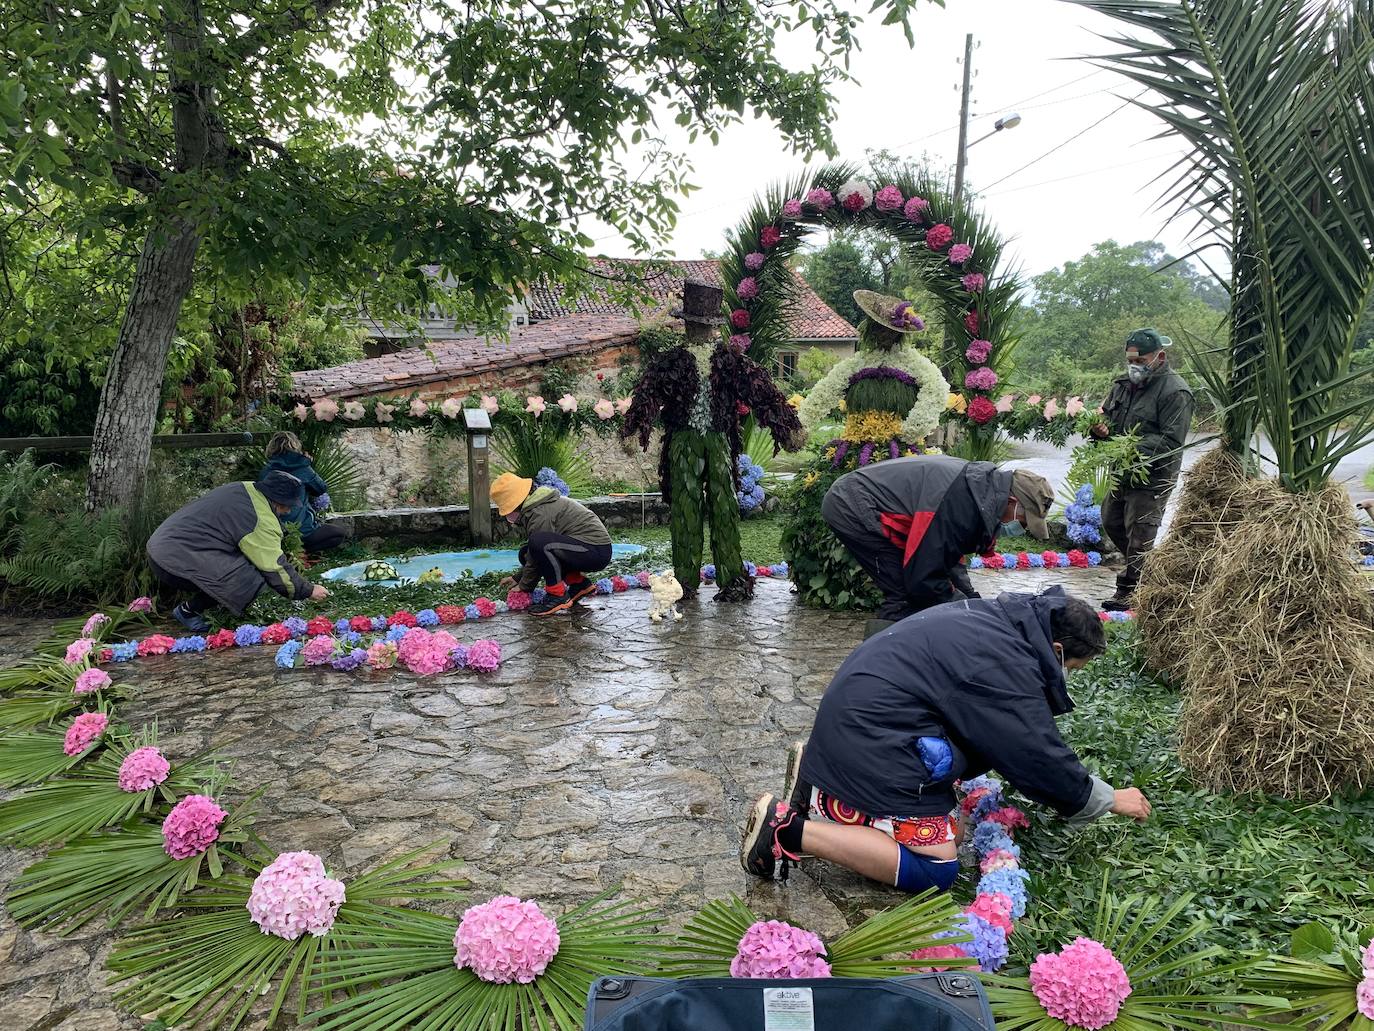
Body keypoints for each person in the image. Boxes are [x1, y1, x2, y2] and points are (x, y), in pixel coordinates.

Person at [740, 588, 1152, 893]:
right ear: (1057, 649)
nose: (1069, 678)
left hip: (860, 725)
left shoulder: (1001, 621)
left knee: (952, 830)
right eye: (1073, 669)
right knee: (936, 867)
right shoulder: (1006, 663)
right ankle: (787, 830)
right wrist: (1104, 798)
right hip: (871, 740)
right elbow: (1034, 752)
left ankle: (818, 782)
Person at [821, 454, 1055, 625]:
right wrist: (965, 608)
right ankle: (883, 665)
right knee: (903, 595)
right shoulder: (959, 503)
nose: (1022, 528)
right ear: (1012, 502)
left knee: (928, 594)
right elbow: (924, 576)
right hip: (853, 505)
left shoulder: (979, 492)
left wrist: (973, 601)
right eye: (1024, 522)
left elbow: (949, 556)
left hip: (874, 503)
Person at [147, 471, 328, 633]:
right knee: (247, 578)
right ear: (277, 500)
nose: (288, 510)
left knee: (241, 566)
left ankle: (216, 606)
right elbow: (274, 567)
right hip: (174, 558)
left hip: (162, 546)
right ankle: (188, 611)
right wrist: (308, 590)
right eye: (287, 505)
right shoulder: (259, 518)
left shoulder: (243, 488)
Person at [1091, 328, 1194, 611]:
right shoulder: (1123, 385)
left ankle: (1130, 592)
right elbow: (1108, 418)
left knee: (1140, 533)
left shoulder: (1176, 391)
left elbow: (1171, 441)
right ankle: (1151, 573)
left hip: (1153, 475)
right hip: (1122, 471)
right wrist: (1099, 430)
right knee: (1111, 520)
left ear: (1159, 357)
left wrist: (1130, 445)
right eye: (1131, 361)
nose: (1134, 366)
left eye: (1141, 361)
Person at [492, 472, 614, 616]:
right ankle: (579, 584)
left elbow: (539, 550)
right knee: (527, 551)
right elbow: (534, 554)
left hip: (595, 550)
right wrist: (517, 578)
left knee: (538, 543)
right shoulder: (537, 504)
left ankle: (557, 595)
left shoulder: (540, 512)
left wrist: (524, 586)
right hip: (586, 548)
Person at [259, 432, 348, 555]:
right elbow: (321, 488)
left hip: (274, 529)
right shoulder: (302, 467)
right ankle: (301, 552)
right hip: (303, 530)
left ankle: (291, 551)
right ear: (296, 447)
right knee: (339, 534)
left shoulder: (266, 470)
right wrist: (306, 463)